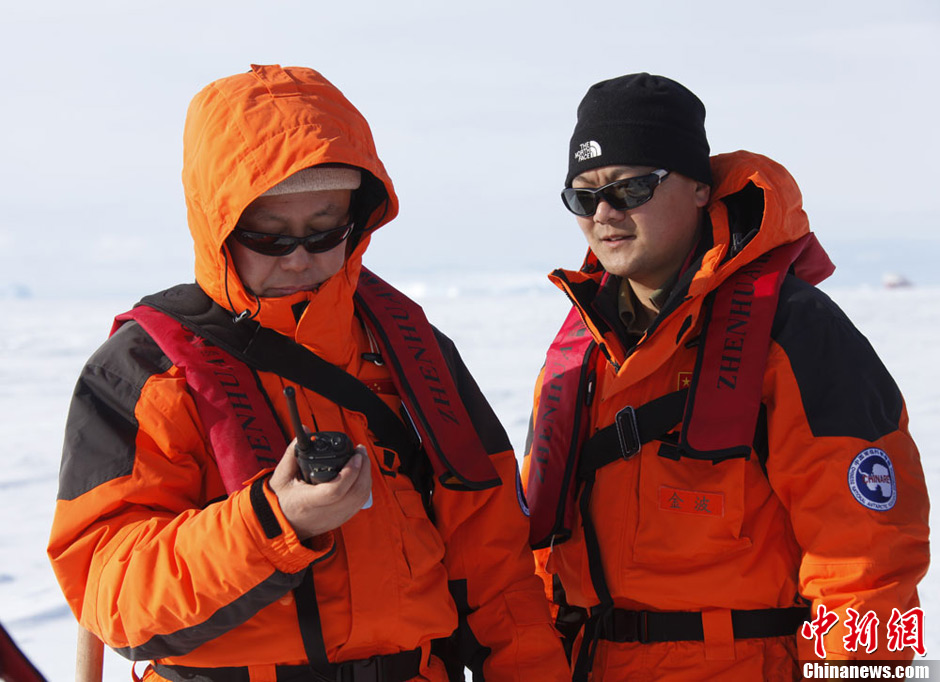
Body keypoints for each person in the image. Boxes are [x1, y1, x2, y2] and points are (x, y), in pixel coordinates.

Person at [48, 64, 569, 682]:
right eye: (269, 235)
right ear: (218, 224)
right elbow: (112, 593)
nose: (299, 258)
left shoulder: (413, 349)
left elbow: (496, 566)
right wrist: (273, 523)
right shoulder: (146, 369)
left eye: (325, 231)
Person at [522, 73, 930, 680]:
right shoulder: (584, 348)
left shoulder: (791, 333)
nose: (604, 213)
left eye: (631, 187)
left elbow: (865, 563)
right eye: (583, 196)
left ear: (698, 190)